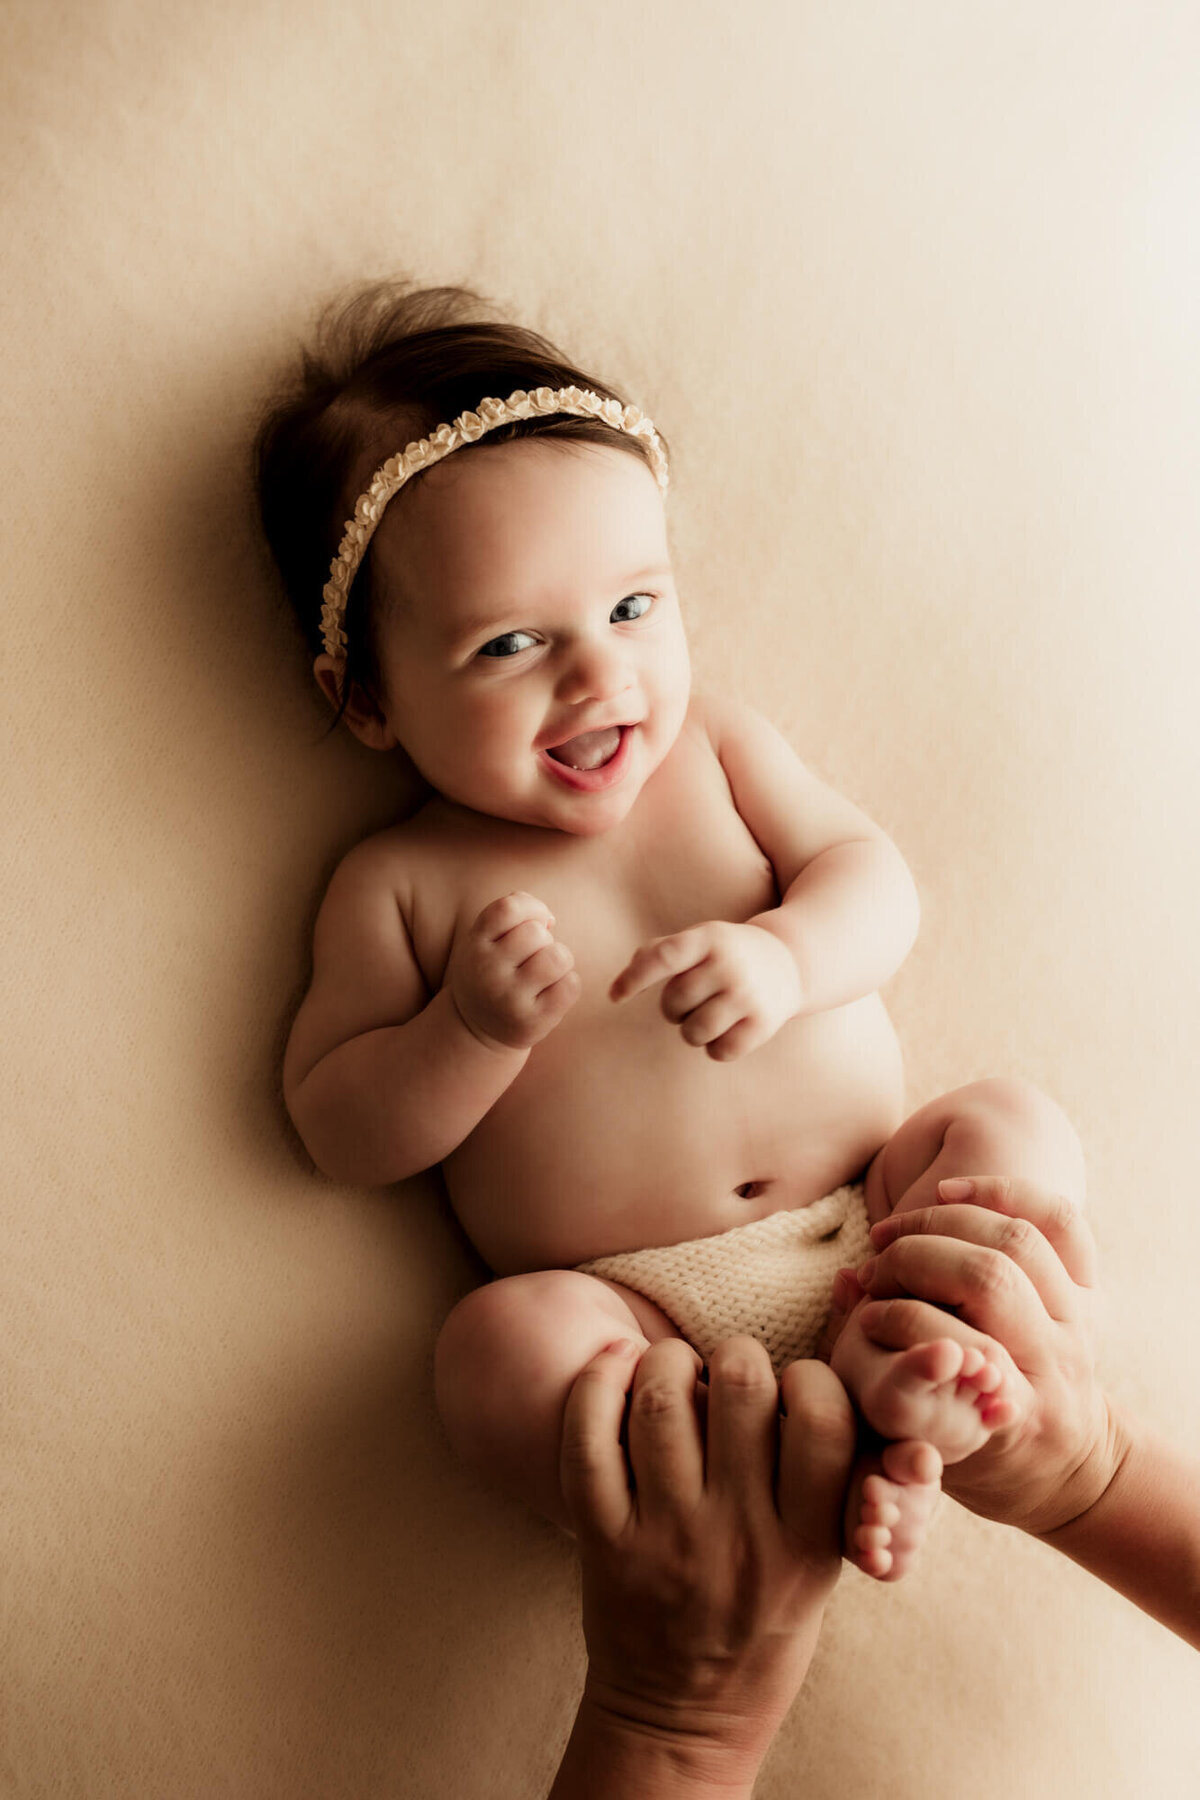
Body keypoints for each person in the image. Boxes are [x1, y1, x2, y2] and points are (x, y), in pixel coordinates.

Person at [257, 279, 1087, 1573]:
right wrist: (465, 1033)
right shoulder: (399, 883)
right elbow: (336, 1125)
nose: (600, 676)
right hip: (645, 1317)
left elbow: (877, 884)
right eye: (513, 645)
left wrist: (787, 954)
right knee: (495, 1354)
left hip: (875, 1218)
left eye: (634, 609)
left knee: (1011, 1123)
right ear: (366, 699)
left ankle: (958, 1351)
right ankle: (752, 1484)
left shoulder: (714, 753)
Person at [550, 1177, 1200, 1799]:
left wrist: (676, 1731)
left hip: (625, 1323)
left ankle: (887, 1406)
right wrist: (1093, 1469)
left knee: (501, 1354)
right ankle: (897, 1396)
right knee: (1014, 1130)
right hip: (858, 1255)